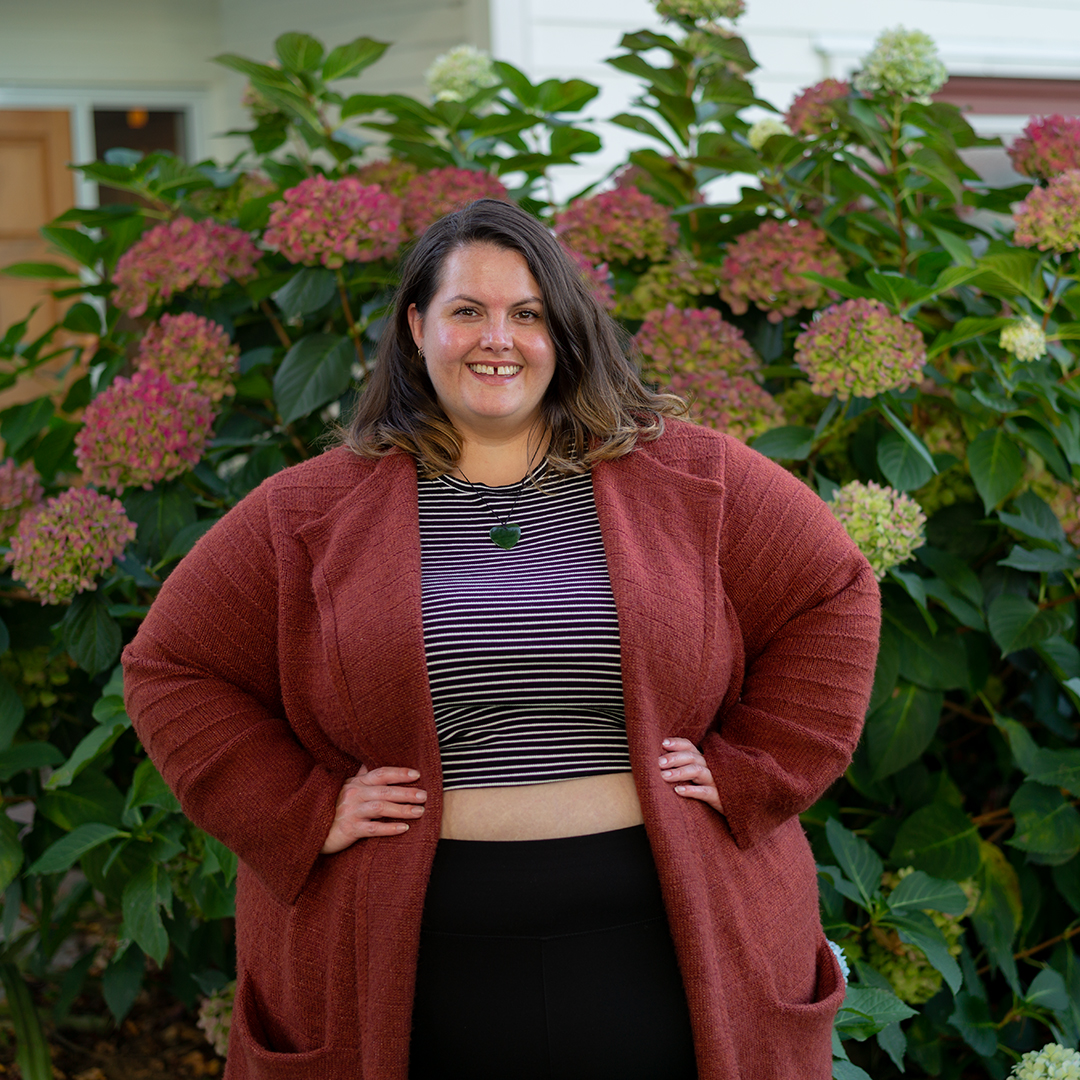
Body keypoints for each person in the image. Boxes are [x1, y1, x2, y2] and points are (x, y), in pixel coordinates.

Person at [122, 197, 881, 1080]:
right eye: (467, 311)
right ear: (415, 328)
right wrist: (300, 811)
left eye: (528, 314)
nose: (499, 339)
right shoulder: (308, 511)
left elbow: (835, 592)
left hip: (670, 949)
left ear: (562, 331)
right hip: (412, 962)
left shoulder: (693, 477)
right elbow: (172, 666)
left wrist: (756, 770)